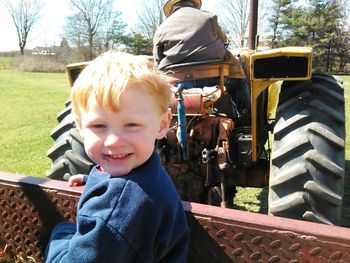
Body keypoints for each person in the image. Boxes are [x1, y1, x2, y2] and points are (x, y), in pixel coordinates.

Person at [45, 51, 190, 262]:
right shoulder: (147, 170)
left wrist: (60, 234)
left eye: (131, 125)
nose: (113, 141)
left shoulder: (118, 212)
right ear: (80, 127)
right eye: (98, 126)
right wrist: (94, 181)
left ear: (162, 125)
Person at [153, 0, 244, 79]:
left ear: (172, 7)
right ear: (193, 3)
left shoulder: (161, 28)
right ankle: (243, 99)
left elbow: (158, 59)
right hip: (214, 72)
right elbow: (223, 40)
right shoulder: (209, 17)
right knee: (237, 69)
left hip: (175, 77)